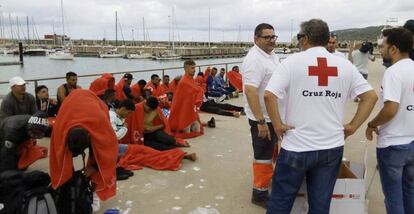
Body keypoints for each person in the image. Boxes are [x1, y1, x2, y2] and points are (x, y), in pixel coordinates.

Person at [264, 19, 378, 214]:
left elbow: (269, 95)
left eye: (300, 37)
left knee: (280, 203)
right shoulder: (345, 66)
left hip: (296, 147)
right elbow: (370, 96)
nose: (299, 41)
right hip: (331, 147)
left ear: (306, 38)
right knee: (320, 205)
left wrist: (277, 125)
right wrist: (352, 126)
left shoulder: (290, 63)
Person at [365, 28, 414, 214]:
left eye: (383, 46)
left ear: (393, 49)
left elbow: (391, 108)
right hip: (412, 142)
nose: (381, 49)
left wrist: (372, 124)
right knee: (410, 192)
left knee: (393, 196)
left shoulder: (394, 72)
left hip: (394, 144)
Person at [49, 89, 119, 211]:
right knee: (71, 168)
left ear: (89, 136)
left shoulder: (100, 123)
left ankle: (95, 192)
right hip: (71, 108)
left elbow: (111, 152)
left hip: (94, 107)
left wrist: (93, 168)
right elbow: (58, 154)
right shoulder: (61, 129)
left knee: (99, 155)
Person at [241, 23, 280, 208]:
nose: (272, 40)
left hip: (273, 116)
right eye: (267, 37)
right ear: (256, 39)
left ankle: (270, 181)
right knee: (263, 155)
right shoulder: (254, 60)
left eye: (274, 37)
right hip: (263, 118)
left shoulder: (271, 56)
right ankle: (260, 193)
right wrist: (261, 122)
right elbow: (250, 91)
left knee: (272, 151)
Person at [169, 59, 205, 139]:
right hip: (184, 112)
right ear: (186, 68)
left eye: (194, 68)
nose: (194, 70)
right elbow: (195, 91)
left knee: (197, 130)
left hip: (191, 110)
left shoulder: (191, 80)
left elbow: (196, 91)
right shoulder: (184, 82)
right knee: (188, 132)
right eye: (192, 68)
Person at [109, 99, 136, 181]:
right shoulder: (112, 117)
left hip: (113, 146)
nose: (129, 115)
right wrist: (124, 128)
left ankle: (116, 167)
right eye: (129, 112)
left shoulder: (119, 117)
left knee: (132, 150)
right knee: (133, 151)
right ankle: (113, 171)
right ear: (123, 109)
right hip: (107, 146)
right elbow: (115, 137)